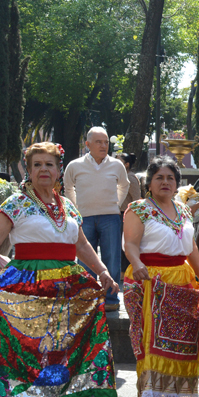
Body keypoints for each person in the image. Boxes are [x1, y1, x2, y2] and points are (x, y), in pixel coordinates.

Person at [0, 142, 119, 397]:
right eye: (37, 164)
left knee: (57, 348)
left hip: (66, 287)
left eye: (49, 164)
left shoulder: (68, 205)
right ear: (29, 169)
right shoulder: (16, 203)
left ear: (59, 169)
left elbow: (82, 245)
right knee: (32, 347)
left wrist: (101, 271)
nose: (43, 170)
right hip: (28, 285)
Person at [123, 156, 199, 397]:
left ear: (177, 184)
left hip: (181, 279)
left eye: (170, 178)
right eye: (159, 177)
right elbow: (131, 244)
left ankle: (163, 393)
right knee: (154, 339)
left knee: (183, 337)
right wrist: (137, 263)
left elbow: (192, 246)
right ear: (149, 183)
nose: (165, 182)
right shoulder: (138, 209)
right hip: (151, 279)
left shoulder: (182, 210)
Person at [64, 126, 130, 311]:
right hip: (84, 219)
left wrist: (116, 204)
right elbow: (68, 187)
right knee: (85, 260)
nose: (103, 146)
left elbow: (125, 185)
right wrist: (76, 208)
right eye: (98, 142)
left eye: (106, 142)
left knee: (112, 259)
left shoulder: (116, 165)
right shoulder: (75, 165)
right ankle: (87, 299)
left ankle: (111, 300)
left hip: (110, 217)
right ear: (87, 144)